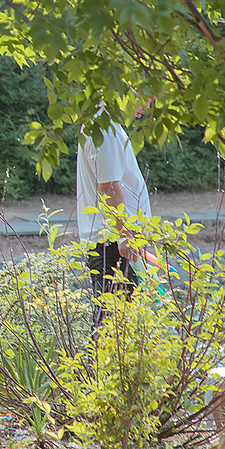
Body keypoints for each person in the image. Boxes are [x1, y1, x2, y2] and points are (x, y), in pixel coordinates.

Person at [76, 98, 152, 327]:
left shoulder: (106, 124)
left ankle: (100, 363)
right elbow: (108, 187)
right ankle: (97, 364)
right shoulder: (104, 129)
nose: (148, 107)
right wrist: (125, 236)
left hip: (114, 241)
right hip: (113, 244)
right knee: (113, 326)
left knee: (118, 324)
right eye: (148, 98)